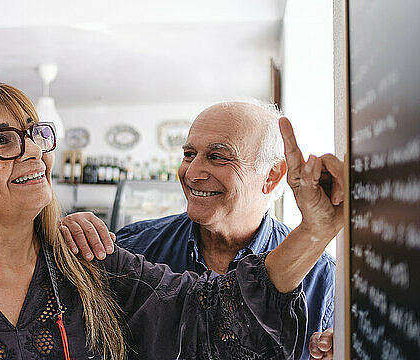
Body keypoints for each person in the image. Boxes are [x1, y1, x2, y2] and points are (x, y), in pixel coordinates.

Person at [0, 83, 342, 360]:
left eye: (34, 134)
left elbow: (215, 313)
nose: (33, 150)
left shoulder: (95, 264)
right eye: (5, 140)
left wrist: (315, 229)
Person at [60, 101, 337, 360]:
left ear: (271, 175)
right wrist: (62, 238)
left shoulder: (323, 277)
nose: (192, 173)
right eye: (189, 154)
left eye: (217, 157)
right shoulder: (134, 248)